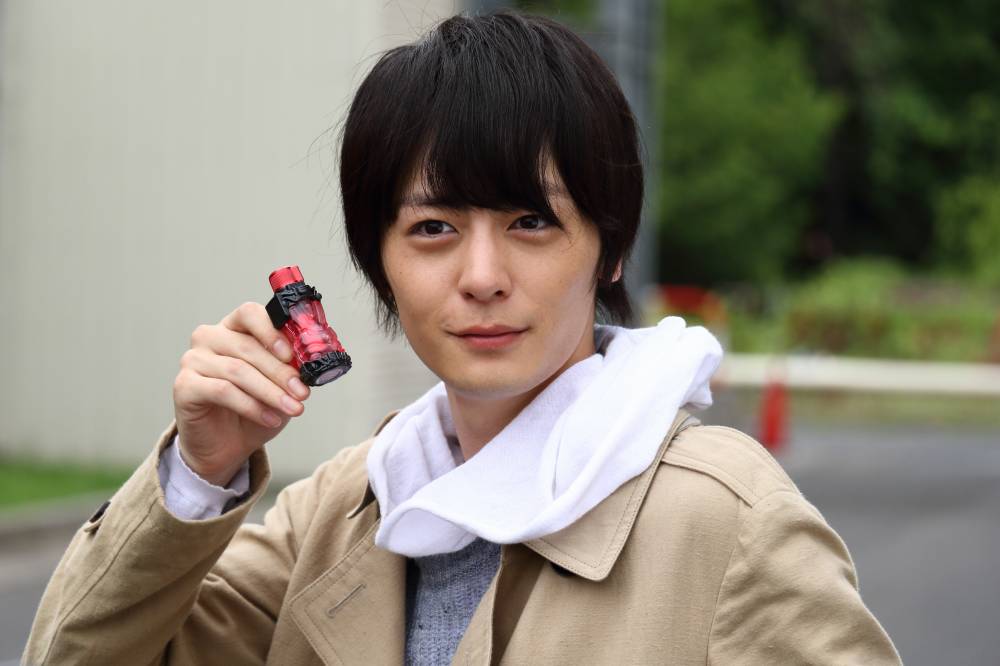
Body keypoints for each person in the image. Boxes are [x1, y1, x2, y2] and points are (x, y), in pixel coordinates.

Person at [25, 10, 900, 665]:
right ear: (378, 262)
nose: (481, 275)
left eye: (531, 222)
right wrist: (199, 472)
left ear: (610, 247)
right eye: (433, 229)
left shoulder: (724, 519)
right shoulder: (339, 513)